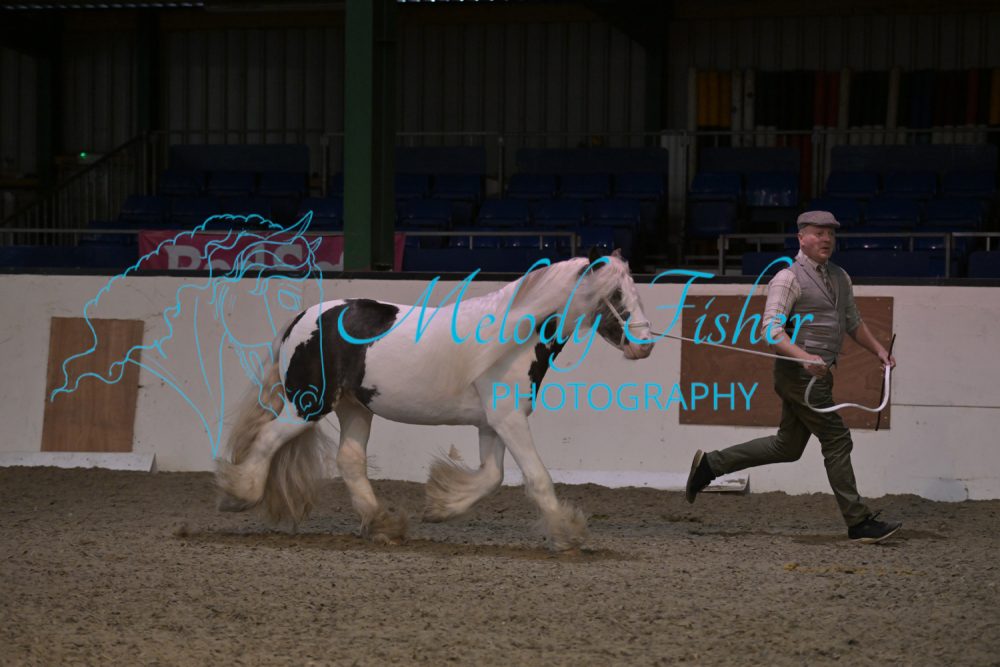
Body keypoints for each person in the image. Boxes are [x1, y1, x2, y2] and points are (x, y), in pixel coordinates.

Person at [685, 210, 902, 544]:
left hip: (818, 375)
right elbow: (771, 330)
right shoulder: (787, 278)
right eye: (818, 233)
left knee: (787, 446)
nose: (827, 239)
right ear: (801, 238)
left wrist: (878, 351)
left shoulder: (840, 277)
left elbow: (852, 321)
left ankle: (711, 465)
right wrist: (804, 358)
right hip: (799, 376)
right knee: (837, 439)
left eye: (831, 233)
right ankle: (858, 522)